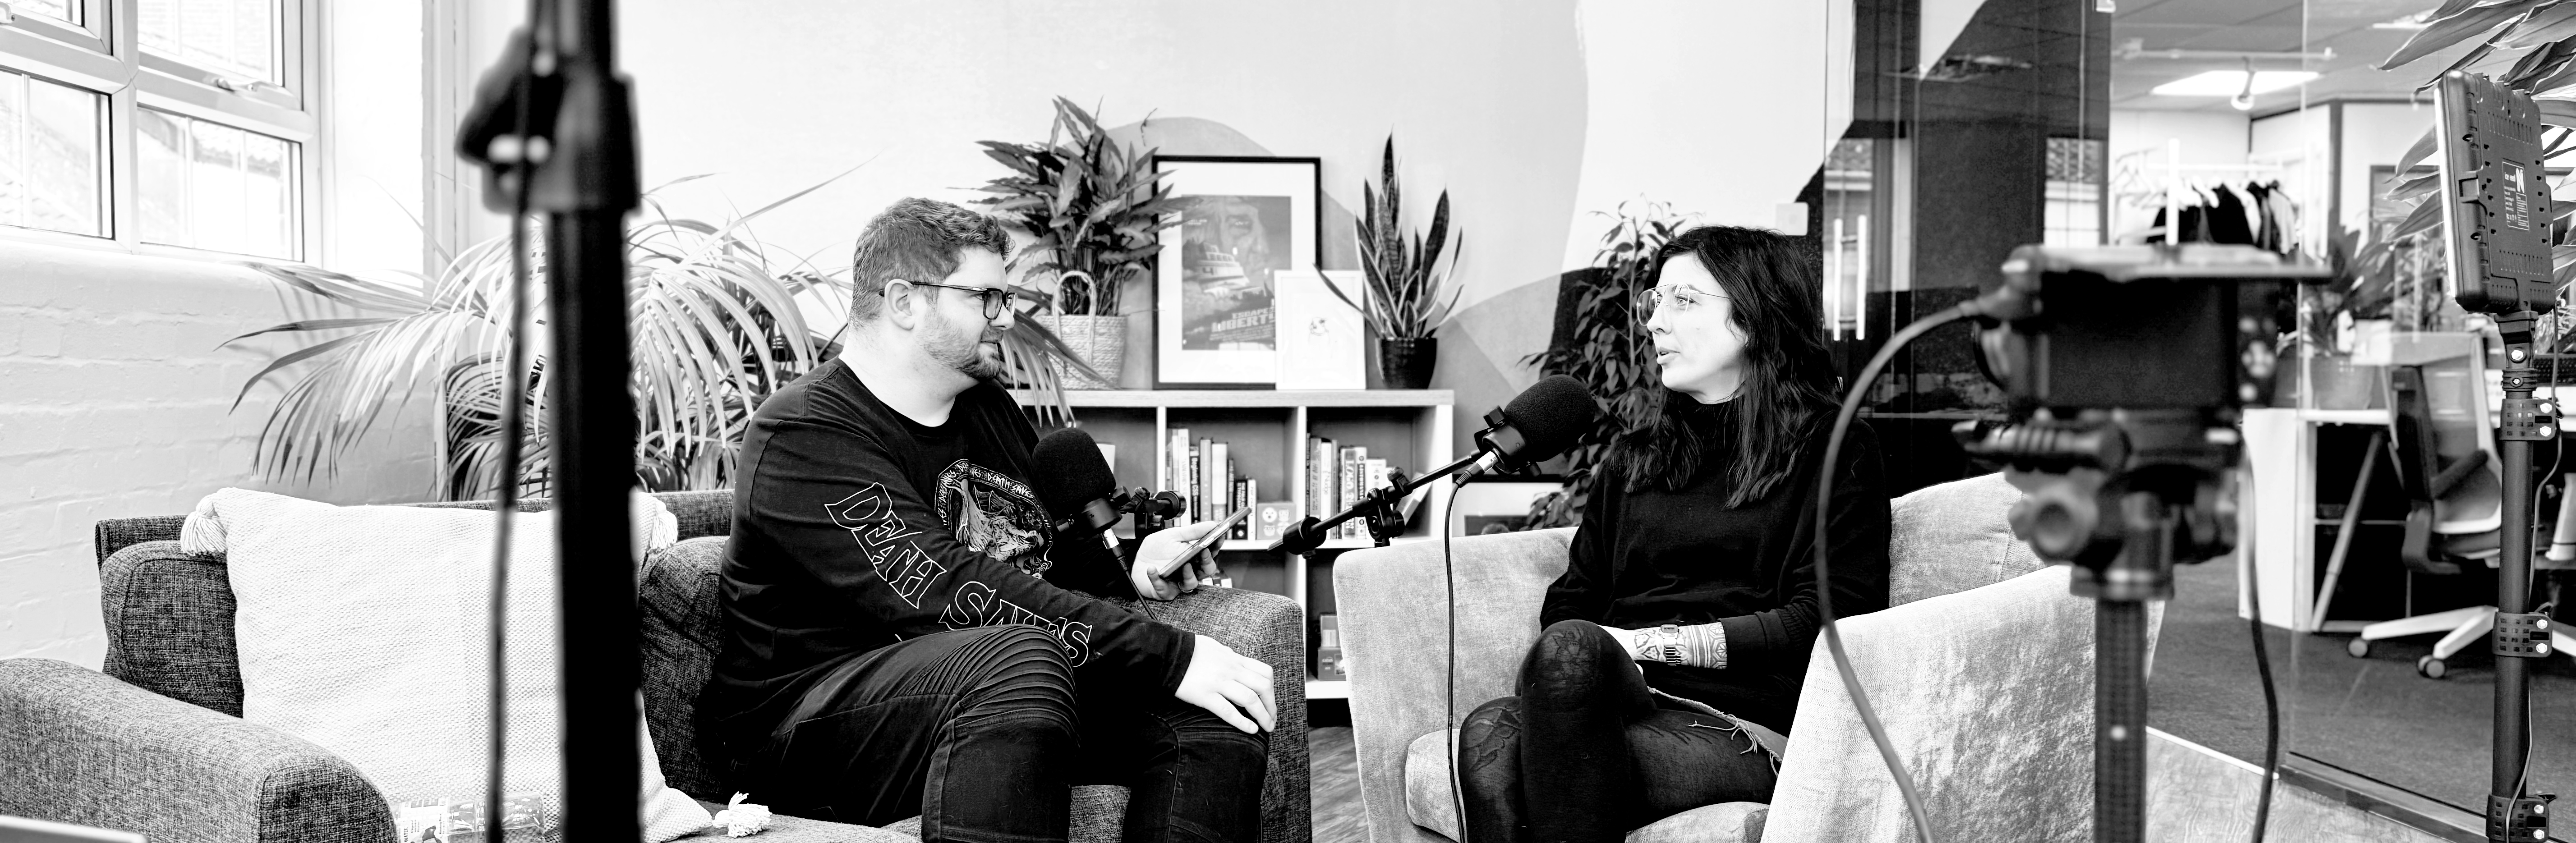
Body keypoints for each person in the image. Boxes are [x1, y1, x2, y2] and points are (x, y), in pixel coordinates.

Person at [708, 197, 1276, 843]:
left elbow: (1040, 558)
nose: (1005, 320)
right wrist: (1170, 654)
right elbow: (954, 591)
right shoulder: (803, 433)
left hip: (1002, 693)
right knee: (1020, 656)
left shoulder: (988, 408)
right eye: (988, 298)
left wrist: (1136, 566)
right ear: (904, 301)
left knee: (1218, 714)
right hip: (809, 728)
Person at [1455, 225, 1891, 842]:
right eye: (1655, 302)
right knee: (1488, 731)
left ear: (1755, 318)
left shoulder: (1834, 445)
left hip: (1737, 722)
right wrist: (1607, 659)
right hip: (1623, 701)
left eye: (1684, 301)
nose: (1656, 322)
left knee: (1551, 681)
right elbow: (1572, 602)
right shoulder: (1633, 460)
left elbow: (1823, 619)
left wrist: (1639, 645)